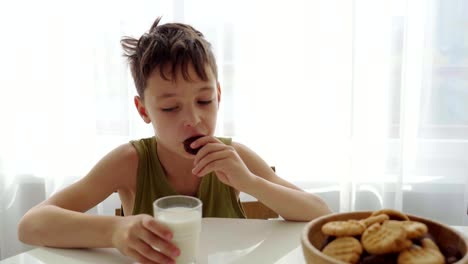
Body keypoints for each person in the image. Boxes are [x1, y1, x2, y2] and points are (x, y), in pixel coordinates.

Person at [18, 17, 332, 264]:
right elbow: (31, 224)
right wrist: (114, 232)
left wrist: (250, 182)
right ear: (144, 110)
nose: (193, 120)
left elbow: (319, 213)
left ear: (219, 95)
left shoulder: (234, 156)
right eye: (170, 107)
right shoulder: (128, 163)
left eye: (205, 101)